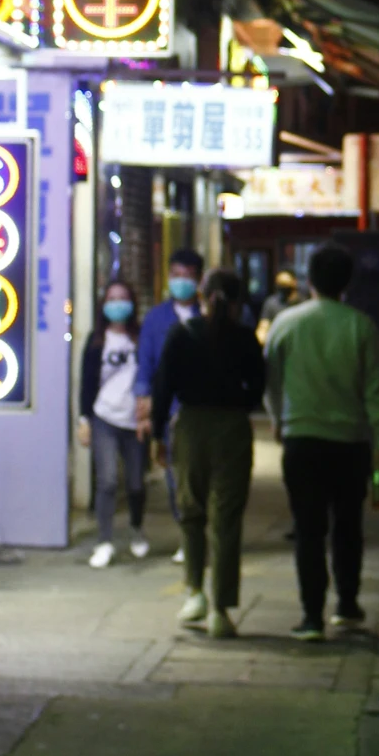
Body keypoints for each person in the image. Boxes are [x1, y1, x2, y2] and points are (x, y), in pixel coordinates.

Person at [264, 243, 379, 642]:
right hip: (351, 443)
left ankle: (311, 616)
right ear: (346, 282)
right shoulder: (361, 326)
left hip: (301, 440)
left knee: (308, 529)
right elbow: (376, 390)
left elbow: (272, 381)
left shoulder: (287, 323)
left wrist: (278, 419)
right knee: (348, 527)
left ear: (309, 280)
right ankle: (348, 604)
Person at [149, 266, 265, 639]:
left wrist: (157, 436)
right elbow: (258, 387)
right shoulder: (245, 338)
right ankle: (221, 609)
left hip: (191, 427)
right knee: (226, 519)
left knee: (191, 511)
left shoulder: (182, 334)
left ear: (202, 296)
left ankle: (194, 592)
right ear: (237, 303)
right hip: (231, 428)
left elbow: (163, 386)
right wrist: (238, 404)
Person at [134, 246, 204, 560]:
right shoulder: (156, 318)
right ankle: (188, 536)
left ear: (199, 279)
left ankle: (200, 531)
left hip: (204, 407)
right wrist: (144, 405)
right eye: (176, 275)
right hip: (170, 409)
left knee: (202, 475)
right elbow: (145, 363)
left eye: (187, 276)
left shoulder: (210, 315)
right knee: (175, 476)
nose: (181, 282)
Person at [78, 281, 149, 570]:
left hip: (135, 421)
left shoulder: (141, 338)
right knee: (106, 481)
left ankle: (136, 528)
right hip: (104, 417)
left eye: (123, 298)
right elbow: (86, 383)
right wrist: (84, 420)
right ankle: (104, 541)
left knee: (135, 483)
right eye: (112, 298)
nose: (117, 304)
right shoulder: (96, 340)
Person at [256, 268, 300, 347]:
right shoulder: (271, 303)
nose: (283, 288)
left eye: (285, 284)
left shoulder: (303, 303)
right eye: (280, 284)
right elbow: (264, 326)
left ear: (294, 282)